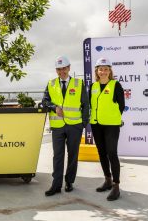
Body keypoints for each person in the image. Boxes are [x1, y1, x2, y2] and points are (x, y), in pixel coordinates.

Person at [42, 56, 89, 196]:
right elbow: (45, 101)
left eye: (64, 68)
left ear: (69, 68)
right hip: (57, 126)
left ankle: (69, 181)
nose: (62, 71)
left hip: (75, 126)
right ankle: (56, 185)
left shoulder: (78, 83)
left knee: (73, 155)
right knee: (58, 156)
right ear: (56, 70)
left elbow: (86, 104)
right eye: (59, 69)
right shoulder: (51, 84)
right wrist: (53, 107)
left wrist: (83, 124)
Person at [89, 57, 125, 201]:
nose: (103, 71)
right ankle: (107, 180)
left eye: (106, 69)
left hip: (111, 125)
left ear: (110, 71)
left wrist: (113, 118)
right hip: (96, 124)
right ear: (97, 71)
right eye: (100, 69)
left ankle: (116, 186)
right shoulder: (93, 86)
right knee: (102, 153)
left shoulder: (116, 85)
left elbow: (121, 105)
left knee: (112, 153)